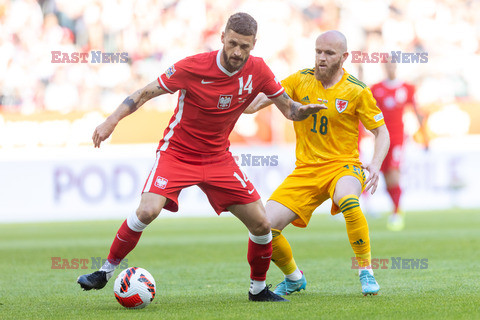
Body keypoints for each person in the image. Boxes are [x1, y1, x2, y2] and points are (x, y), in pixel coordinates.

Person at [76, 12, 324, 302]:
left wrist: (300, 112)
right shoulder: (193, 66)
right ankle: (105, 272)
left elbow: (288, 109)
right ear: (222, 38)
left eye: (245, 46)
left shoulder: (258, 71)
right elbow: (144, 93)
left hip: (218, 157)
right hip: (177, 153)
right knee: (147, 211)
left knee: (261, 224)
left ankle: (258, 290)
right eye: (232, 43)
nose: (237, 52)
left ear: (254, 44)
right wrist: (111, 121)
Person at [244, 30, 390, 296]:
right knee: (263, 226)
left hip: (342, 166)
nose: (321, 58)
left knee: (348, 199)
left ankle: (365, 270)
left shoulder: (357, 91)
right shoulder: (300, 80)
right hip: (306, 171)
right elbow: (254, 105)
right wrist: (235, 90)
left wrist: (376, 163)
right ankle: (294, 277)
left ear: (344, 57)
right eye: (318, 52)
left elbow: (382, 131)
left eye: (329, 53)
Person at [371, 61, 427, 231]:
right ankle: (394, 208)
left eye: (393, 64)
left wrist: (424, 138)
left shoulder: (407, 88)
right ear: (384, 67)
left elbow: (417, 112)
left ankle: (396, 213)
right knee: (386, 177)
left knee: (394, 174)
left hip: (397, 138)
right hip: (381, 138)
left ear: (396, 67)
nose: (390, 67)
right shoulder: (375, 89)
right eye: (387, 64)